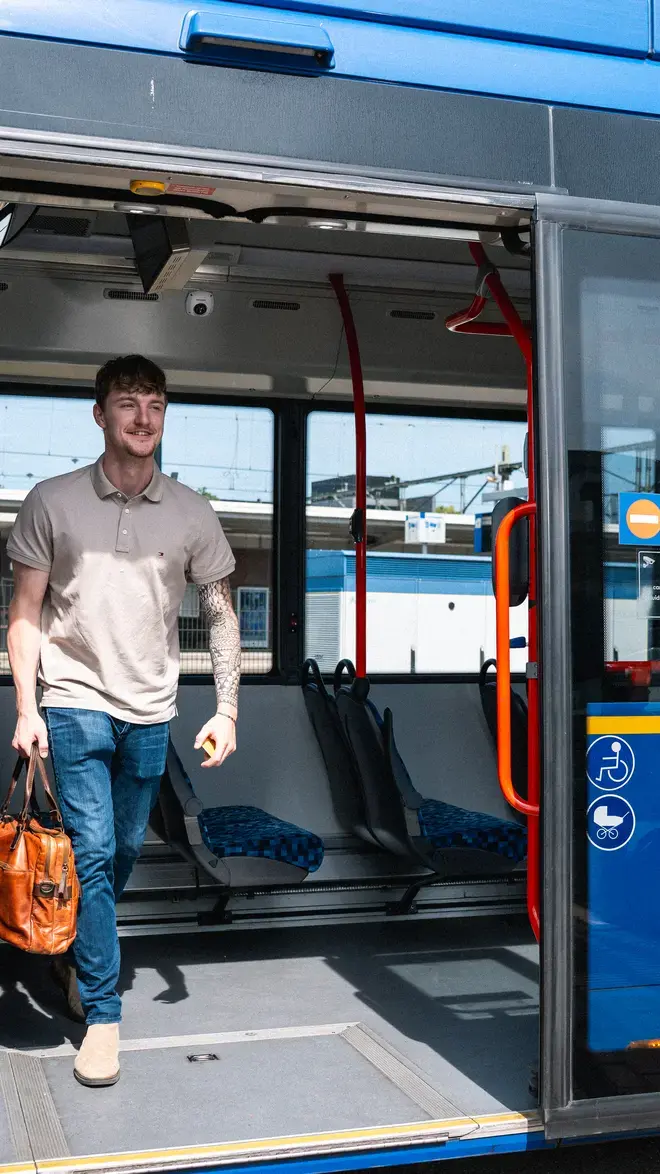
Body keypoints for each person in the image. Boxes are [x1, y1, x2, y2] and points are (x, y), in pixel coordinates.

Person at [6, 355, 240, 1088]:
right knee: (96, 851)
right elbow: (23, 614)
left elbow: (222, 612)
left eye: (156, 405)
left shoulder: (193, 511)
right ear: (100, 414)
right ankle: (103, 1016)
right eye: (128, 403)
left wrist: (227, 708)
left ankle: (78, 957)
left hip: (151, 708)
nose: (144, 418)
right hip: (74, 699)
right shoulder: (53, 500)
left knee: (121, 857)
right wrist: (26, 708)